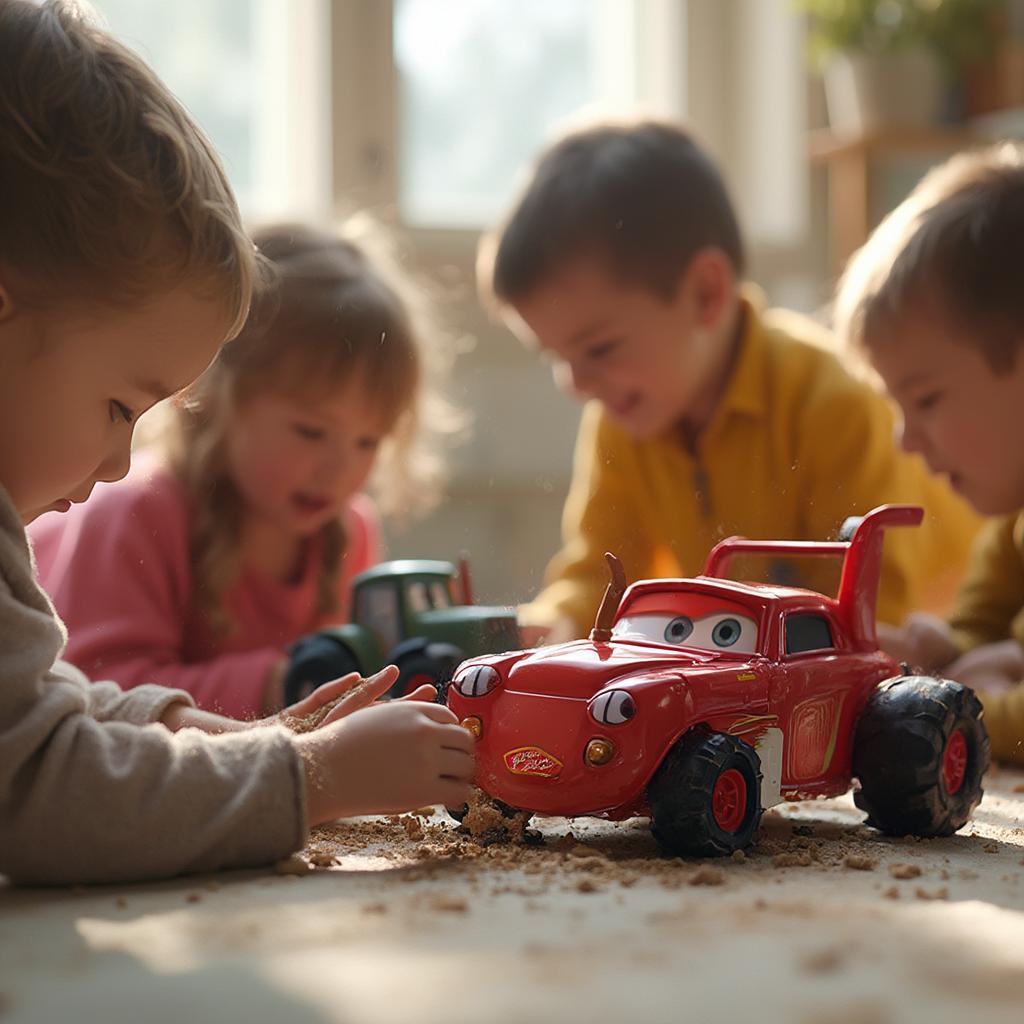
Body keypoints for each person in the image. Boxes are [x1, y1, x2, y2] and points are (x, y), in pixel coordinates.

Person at [0, 0, 471, 885]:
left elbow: (52, 714)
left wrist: (255, 741)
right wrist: (312, 775)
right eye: (116, 406)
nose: (118, 462)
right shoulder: (130, 517)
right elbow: (38, 788)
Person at [478, 119, 981, 645]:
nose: (577, 384)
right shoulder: (623, 413)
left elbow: (867, 620)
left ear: (705, 294)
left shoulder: (832, 401)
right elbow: (597, 575)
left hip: (954, 646)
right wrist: (557, 621)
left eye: (599, 349)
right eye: (557, 358)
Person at [29, 221, 451, 718]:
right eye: (311, 432)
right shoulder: (132, 509)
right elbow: (97, 699)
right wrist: (280, 682)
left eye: (368, 441)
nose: (341, 468)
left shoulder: (345, 531)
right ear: (217, 397)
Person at [835, 143, 1024, 765]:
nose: (904, 439)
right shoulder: (1010, 524)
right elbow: (982, 625)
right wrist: (949, 652)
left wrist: (957, 701)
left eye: (927, 398)